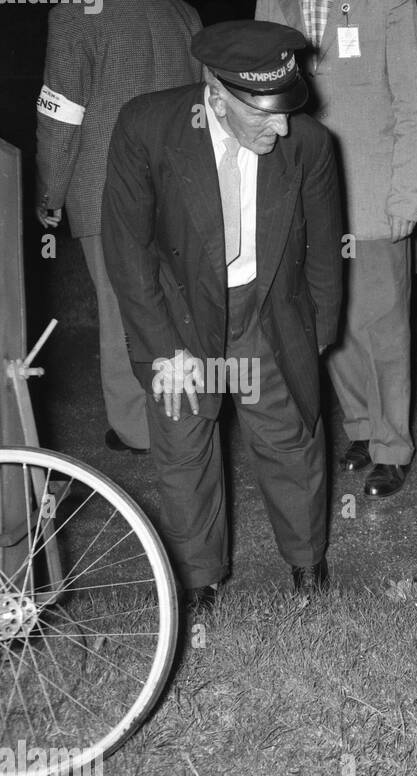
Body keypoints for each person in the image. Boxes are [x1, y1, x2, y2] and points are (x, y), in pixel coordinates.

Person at [102, 20, 343, 612]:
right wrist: (165, 349)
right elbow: (127, 250)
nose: (281, 126)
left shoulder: (308, 144)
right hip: (181, 316)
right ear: (216, 96)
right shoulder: (148, 128)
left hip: (265, 312)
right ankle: (198, 577)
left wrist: (314, 337)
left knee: (289, 440)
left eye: (288, 110)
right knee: (184, 441)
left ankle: (307, 564)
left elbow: (325, 254)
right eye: (265, 114)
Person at [256, 0, 417, 500]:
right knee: (329, 317)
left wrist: (406, 195)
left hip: (374, 190)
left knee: (383, 325)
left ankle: (392, 447)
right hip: (303, 189)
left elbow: (415, 100)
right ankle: (359, 423)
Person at [35, 0, 204, 456]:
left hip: (104, 186)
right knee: (177, 302)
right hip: (181, 184)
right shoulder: (181, 11)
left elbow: (61, 116)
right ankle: (187, 408)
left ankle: (137, 429)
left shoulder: (73, 13)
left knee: (119, 309)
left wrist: (49, 192)